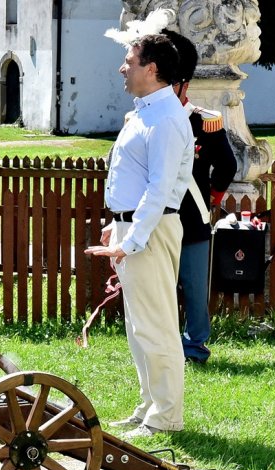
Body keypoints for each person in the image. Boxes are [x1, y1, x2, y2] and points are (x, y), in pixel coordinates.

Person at [84, 33, 194, 438]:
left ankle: (166, 417)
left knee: (156, 325)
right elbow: (134, 181)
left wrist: (130, 241)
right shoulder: (147, 112)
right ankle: (150, 405)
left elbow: (160, 189)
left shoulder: (165, 117)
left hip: (151, 229)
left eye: (129, 60)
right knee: (138, 326)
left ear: (152, 68)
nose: (122, 67)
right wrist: (120, 225)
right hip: (136, 227)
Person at [163, 30, 237, 364]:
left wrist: (213, 200)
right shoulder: (146, 119)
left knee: (193, 286)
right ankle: (165, 343)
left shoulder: (204, 121)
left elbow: (227, 164)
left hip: (191, 216)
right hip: (158, 219)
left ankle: (194, 345)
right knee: (160, 286)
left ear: (183, 85)